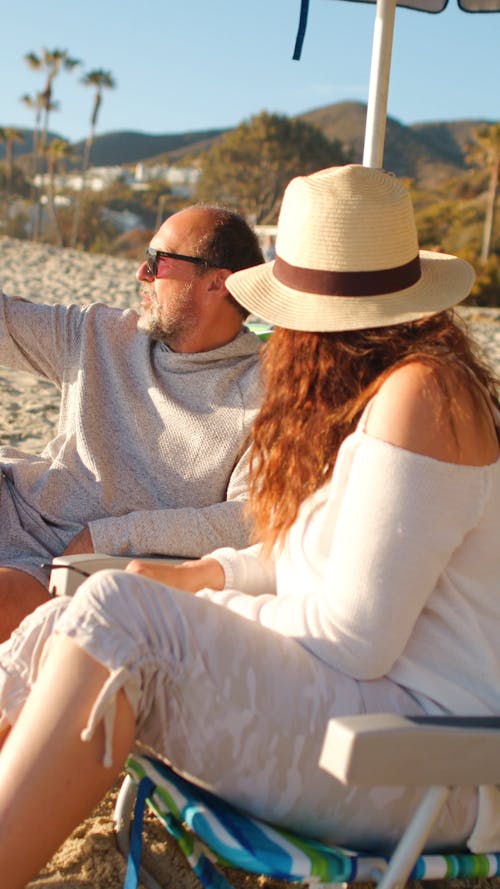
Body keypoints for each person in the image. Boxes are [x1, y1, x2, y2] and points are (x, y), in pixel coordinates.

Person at [0, 164, 499, 888]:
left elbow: (356, 637)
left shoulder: (422, 397)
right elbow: (315, 558)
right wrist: (209, 571)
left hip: (419, 757)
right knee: (100, 607)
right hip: (363, 729)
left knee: (121, 614)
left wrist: (197, 605)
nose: (276, 326)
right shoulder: (379, 395)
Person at [0, 205, 264, 639]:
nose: (141, 272)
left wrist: (112, 536)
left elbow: (249, 520)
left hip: (64, 568)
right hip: (16, 500)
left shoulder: (260, 395)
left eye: (159, 261)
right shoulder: (102, 333)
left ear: (216, 282)